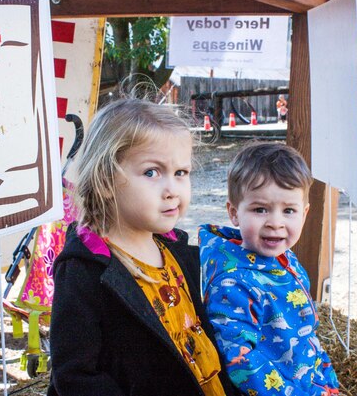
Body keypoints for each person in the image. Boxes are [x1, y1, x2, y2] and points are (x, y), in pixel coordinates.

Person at [47, 99, 236, 396]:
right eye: (151, 172)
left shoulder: (180, 254)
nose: (172, 189)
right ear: (105, 179)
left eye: (181, 173)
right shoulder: (85, 270)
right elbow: (76, 375)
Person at [199, 143, 340, 396]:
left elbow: (305, 327)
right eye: (260, 209)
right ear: (234, 213)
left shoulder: (284, 257)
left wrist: (325, 378)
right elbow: (241, 358)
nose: (275, 223)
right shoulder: (232, 284)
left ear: (304, 213)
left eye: (288, 211)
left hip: (308, 381)